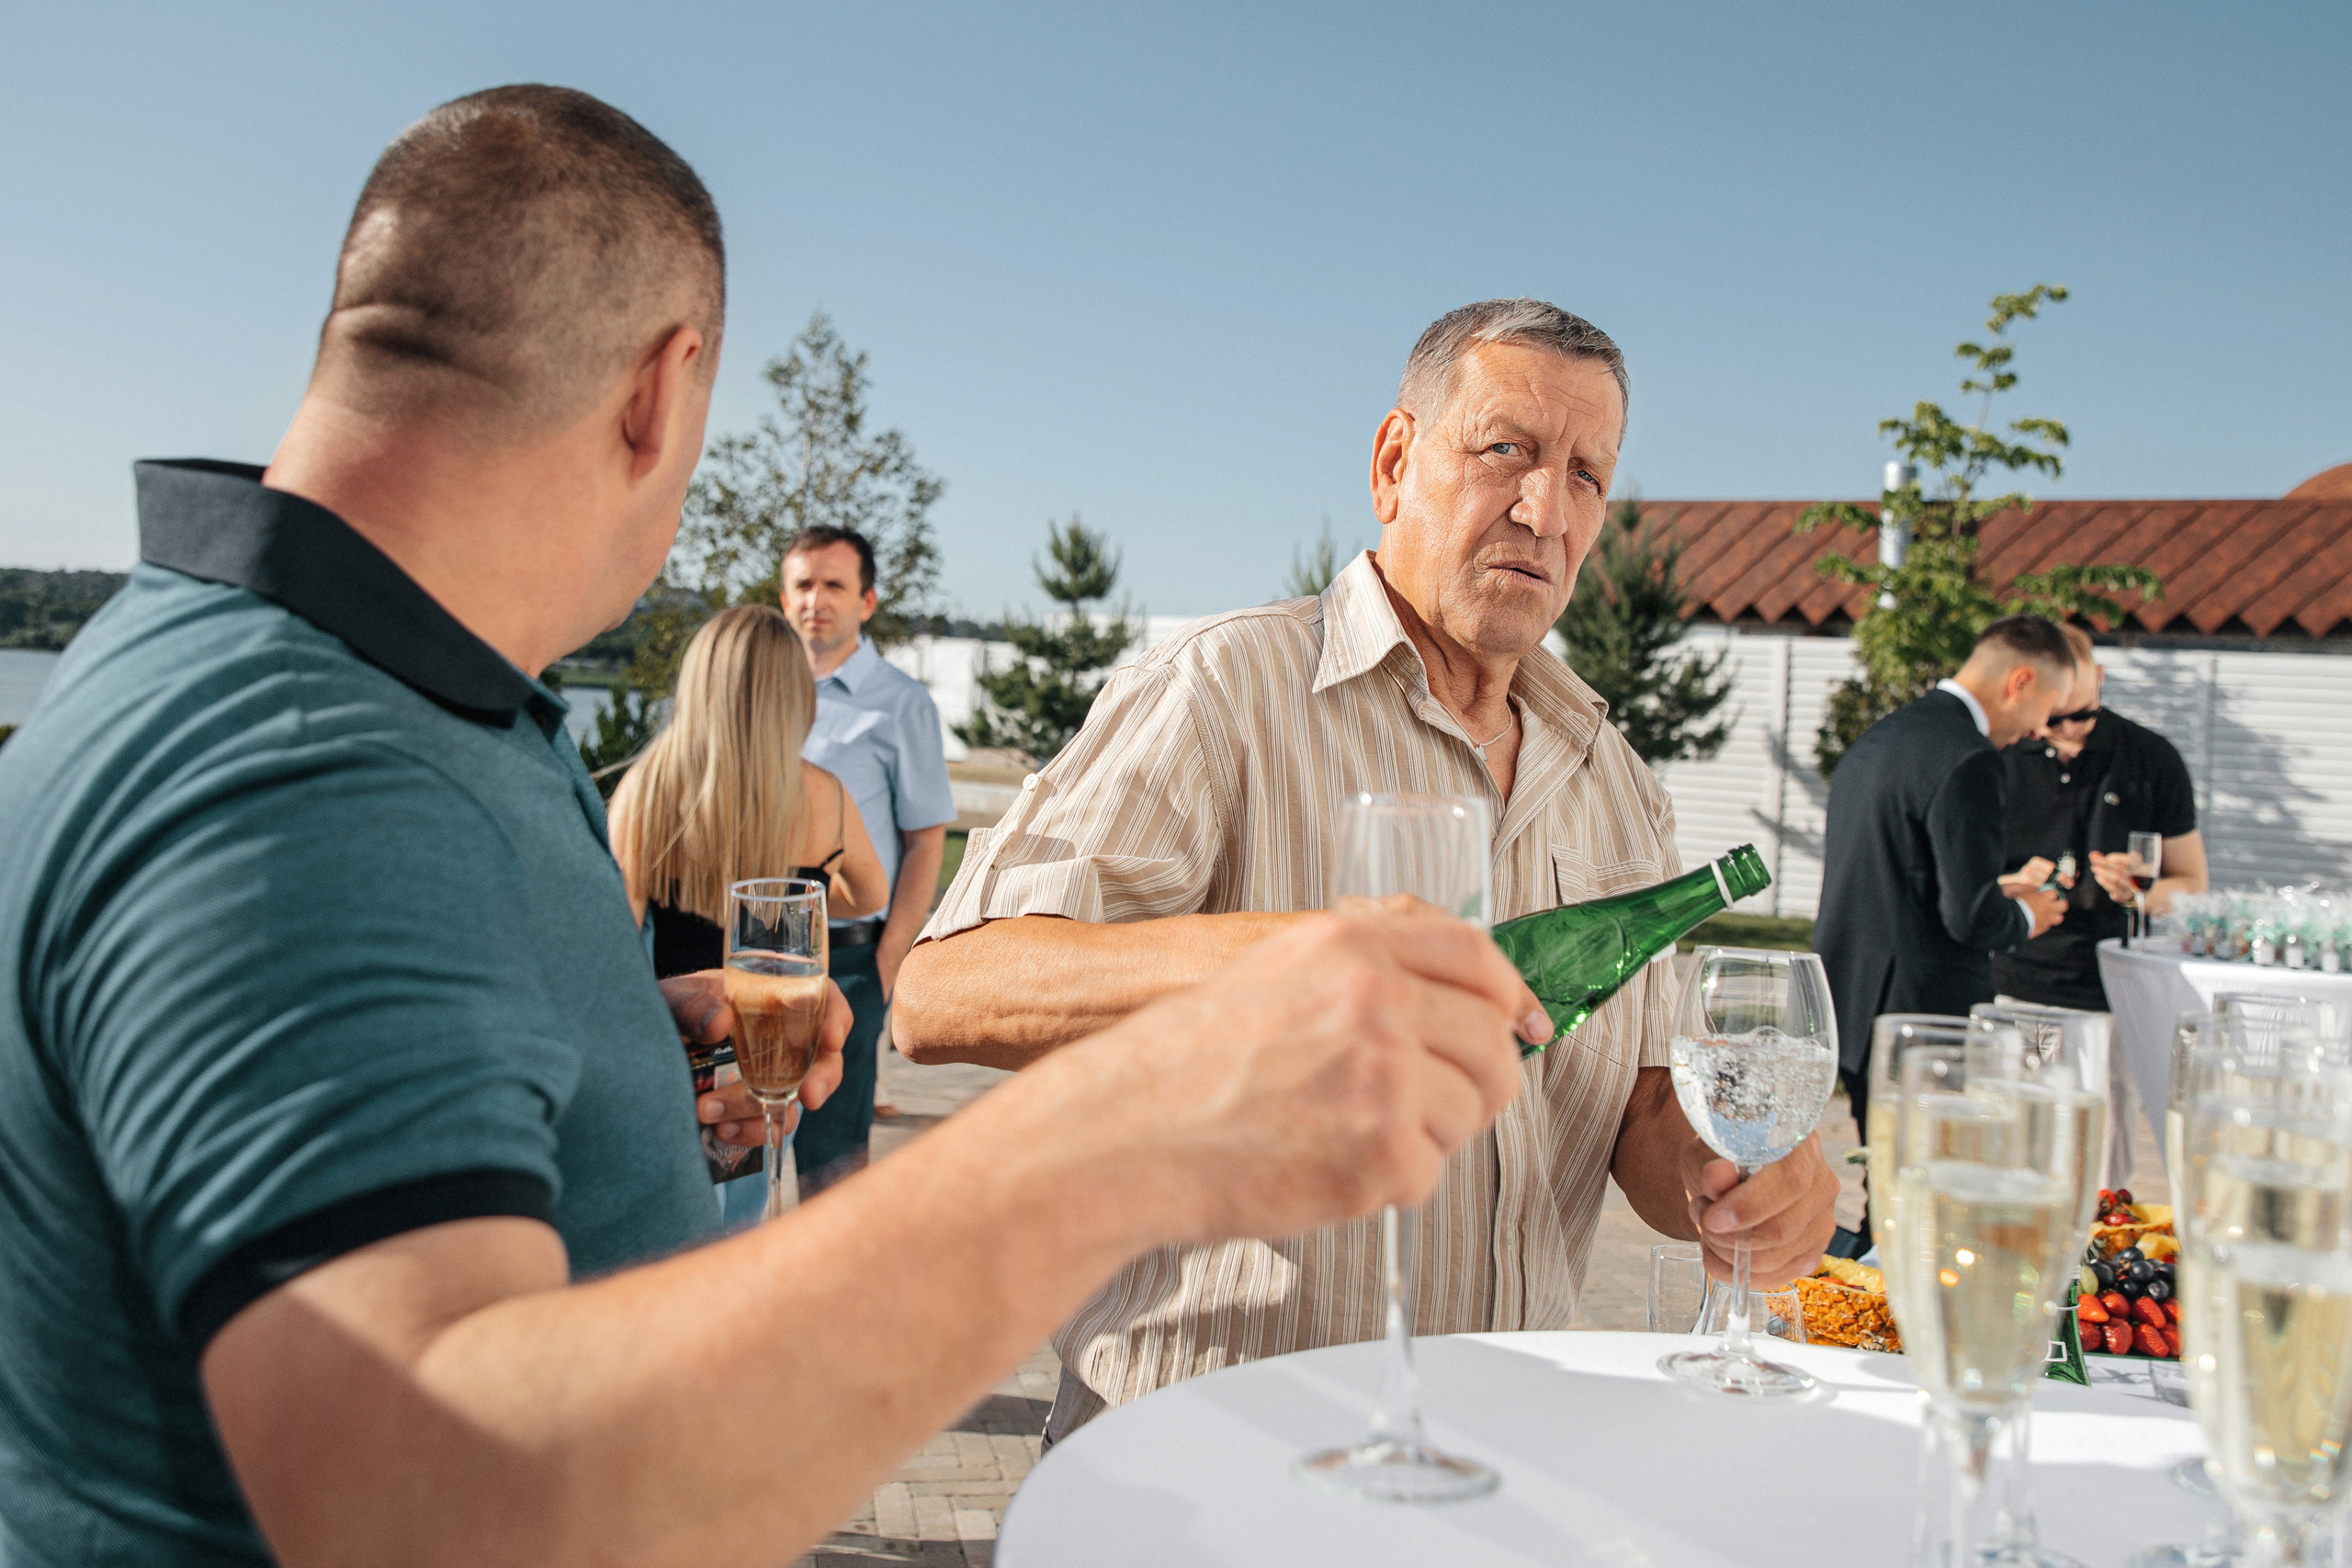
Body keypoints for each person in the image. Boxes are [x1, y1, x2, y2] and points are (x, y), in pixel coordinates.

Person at [0, 85, 1536, 1565]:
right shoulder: (300, 768)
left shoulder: (350, 687)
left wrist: (591, 1053)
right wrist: (1136, 1123)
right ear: (661, 395)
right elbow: (432, 1501)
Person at [894, 298, 1842, 1441]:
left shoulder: (1615, 777)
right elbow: (945, 992)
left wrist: (1732, 1178)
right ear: (1396, 461)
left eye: (1588, 473)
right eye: (1507, 450)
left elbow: (1638, 1107)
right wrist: (1300, 964)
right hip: (1211, 1447)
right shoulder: (1225, 687)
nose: (1545, 509)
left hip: (1498, 1451)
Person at [1812, 615, 2075, 1246]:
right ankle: (1891, 1321)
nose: (2040, 730)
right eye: (2048, 708)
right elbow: (1970, 916)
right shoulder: (1971, 759)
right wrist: (2028, 913)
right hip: (1921, 1014)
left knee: (1890, 1178)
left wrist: (1995, 889)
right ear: (2020, 681)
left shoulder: (1884, 736)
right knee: (1922, 1193)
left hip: (1853, 995)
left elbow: (1898, 871)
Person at [606, 604, 888, 1191]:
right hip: (769, 1041)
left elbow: (613, 939)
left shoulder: (648, 788)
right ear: (796, 697)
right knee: (746, 1204)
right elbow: (869, 895)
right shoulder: (823, 796)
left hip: (673, 1041)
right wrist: (793, 909)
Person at [777, 525, 957, 1189]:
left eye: (834, 585)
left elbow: (925, 842)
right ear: (783, 594)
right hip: (751, 949)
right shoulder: (759, 693)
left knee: (832, 1170)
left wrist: (886, 965)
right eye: (802, 584)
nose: (815, 599)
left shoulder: (901, 704)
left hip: (849, 956)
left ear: (868, 601)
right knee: (730, 1154)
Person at [1991, 621, 2208, 1011]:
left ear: (2101, 677)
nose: (2070, 729)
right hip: (2015, 981)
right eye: (2055, 719)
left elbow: (2193, 885)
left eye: (2084, 714)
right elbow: (1960, 886)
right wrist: (2013, 883)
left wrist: (2139, 892)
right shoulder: (2000, 758)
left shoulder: (2152, 759)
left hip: (2120, 986)